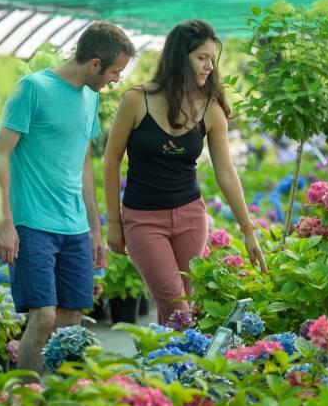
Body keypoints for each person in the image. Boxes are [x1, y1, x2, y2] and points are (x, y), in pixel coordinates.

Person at [0, 21, 135, 374]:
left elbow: (83, 163)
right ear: (95, 64)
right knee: (43, 317)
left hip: (73, 225)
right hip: (33, 222)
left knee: (71, 320)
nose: (116, 80)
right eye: (115, 71)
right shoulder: (32, 89)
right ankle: (22, 405)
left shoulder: (91, 95)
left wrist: (95, 227)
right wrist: (5, 223)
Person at [104, 19, 266, 325]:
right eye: (201, 58)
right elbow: (111, 160)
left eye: (212, 60)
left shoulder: (212, 110)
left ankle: (173, 367)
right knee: (175, 302)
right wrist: (114, 222)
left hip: (190, 217)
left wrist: (248, 231)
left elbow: (227, 172)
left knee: (186, 302)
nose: (209, 67)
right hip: (143, 219)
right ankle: (176, 363)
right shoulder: (137, 100)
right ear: (180, 57)